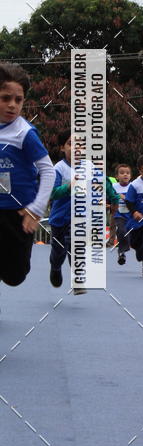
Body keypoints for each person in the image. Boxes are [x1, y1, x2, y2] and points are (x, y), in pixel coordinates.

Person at [0, 62, 55, 288]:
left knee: (15, 276)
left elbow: (48, 171)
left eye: (18, 100)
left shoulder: (24, 133)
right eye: (5, 98)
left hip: (19, 214)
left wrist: (36, 209)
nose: (12, 105)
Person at [48, 133, 119, 292]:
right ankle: (55, 267)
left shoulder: (89, 167)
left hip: (80, 219)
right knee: (59, 252)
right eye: (71, 143)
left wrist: (114, 199)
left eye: (81, 144)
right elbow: (52, 193)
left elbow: (105, 183)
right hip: (60, 219)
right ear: (62, 148)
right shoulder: (59, 169)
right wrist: (68, 187)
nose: (77, 148)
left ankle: (78, 279)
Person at [112, 164, 132, 264]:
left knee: (129, 235)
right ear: (117, 176)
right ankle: (121, 252)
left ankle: (123, 249)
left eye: (127, 173)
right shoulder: (113, 187)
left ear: (130, 176)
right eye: (122, 173)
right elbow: (108, 198)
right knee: (121, 231)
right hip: (119, 214)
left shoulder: (133, 187)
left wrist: (125, 198)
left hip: (131, 215)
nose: (125, 175)